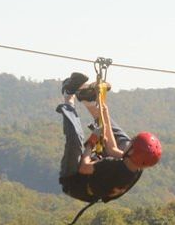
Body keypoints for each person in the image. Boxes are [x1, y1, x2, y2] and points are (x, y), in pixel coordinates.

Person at [55, 72, 162, 214]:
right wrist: (104, 110)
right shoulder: (137, 165)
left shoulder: (112, 165)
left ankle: (68, 95)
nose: (130, 145)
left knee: (75, 139)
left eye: (132, 146)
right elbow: (112, 148)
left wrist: (91, 143)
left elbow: (84, 167)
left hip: (74, 181)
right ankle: (89, 101)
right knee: (123, 140)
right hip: (97, 177)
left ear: (132, 152)